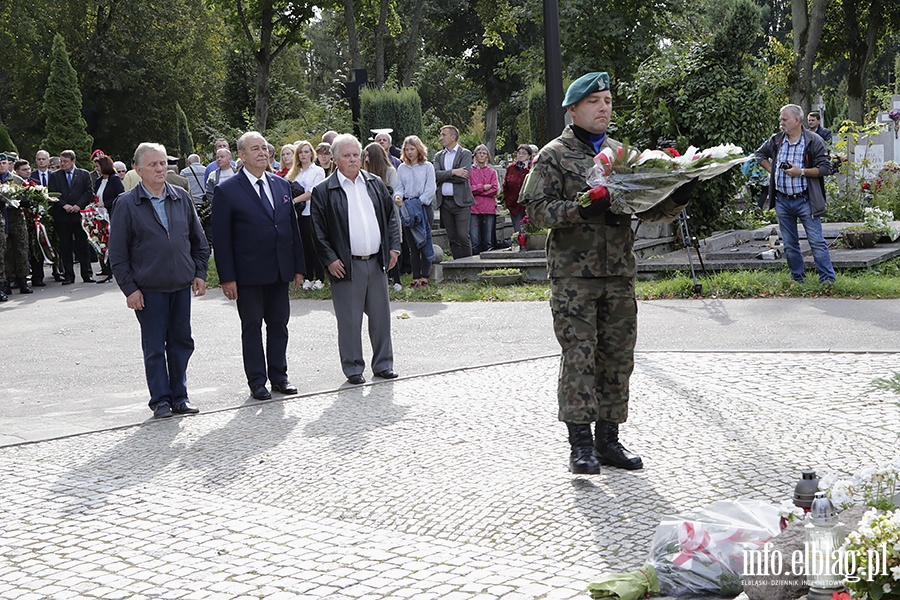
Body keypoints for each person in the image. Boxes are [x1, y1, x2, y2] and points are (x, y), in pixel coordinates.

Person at [520, 71, 694, 475]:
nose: (604, 108)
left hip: (618, 273)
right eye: (595, 101)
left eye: (608, 101)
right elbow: (535, 210)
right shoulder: (553, 155)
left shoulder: (622, 156)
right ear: (573, 109)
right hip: (574, 277)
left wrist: (677, 194)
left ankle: (608, 440)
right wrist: (580, 209)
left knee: (617, 357)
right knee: (580, 357)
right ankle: (580, 444)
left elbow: (647, 209)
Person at [108, 142, 210, 419]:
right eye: (153, 164)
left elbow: (199, 242)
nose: (160, 168)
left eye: (163, 163)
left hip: (179, 285)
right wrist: (130, 289)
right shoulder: (127, 204)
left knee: (182, 342)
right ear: (138, 169)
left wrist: (200, 273)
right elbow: (117, 255)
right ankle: (161, 400)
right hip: (148, 290)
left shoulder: (181, 196)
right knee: (154, 347)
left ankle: (180, 396)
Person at [212, 131, 306, 401]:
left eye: (265, 148)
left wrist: (298, 266)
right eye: (255, 149)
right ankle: (257, 381)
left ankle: (279, 376)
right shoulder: (227, 190)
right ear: (241, 155)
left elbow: (291, 230)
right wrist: (227, 277)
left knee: (279, 324)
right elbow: (222, 238)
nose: (263, 153)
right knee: (252, 326)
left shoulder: (280, 185)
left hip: (279, 270)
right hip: (248, 274)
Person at [310, 133, 401, 385]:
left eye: (355, 155)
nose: (352, 160)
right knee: (350, 320)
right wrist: (329, 259)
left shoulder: (374, 183)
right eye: (346, 156)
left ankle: (383, 364)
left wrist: (394, 248)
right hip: (346, 265)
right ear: (335, 159)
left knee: (381, 317)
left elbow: (391, 218)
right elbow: (317, 231)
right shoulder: (324, 190)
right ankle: (353, 368)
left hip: (376, 261)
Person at [755, 104, 835, 284]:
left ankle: (827, 279)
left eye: (784, 119)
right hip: (782, 200)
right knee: (790, 244)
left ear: (796, 120)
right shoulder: (776, 140)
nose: (780, 122)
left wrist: (801, 172)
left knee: (816, 242)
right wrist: (773, 170)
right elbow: (759, 154)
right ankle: (798, 279)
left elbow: (825, 168)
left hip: (806, 199)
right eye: (780, 119)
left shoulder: (813, 141)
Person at [394, 135, 436, 288]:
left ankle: (425, 277)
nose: (410, 152)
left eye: (412, 149)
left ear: (418, 149)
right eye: (407, 149)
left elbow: (431, 188)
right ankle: (415, 276)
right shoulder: (402, 168)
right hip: (407, 208)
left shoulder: (427, 166)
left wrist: (419, 202)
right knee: (412, 246)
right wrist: (398, 196)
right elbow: (399, 187)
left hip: (423, 206)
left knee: (424, 241)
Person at [48, 150, 96, 285]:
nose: (62, 164)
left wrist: (78, 205)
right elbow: (52, 193)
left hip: (79, 215)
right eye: (61, 161)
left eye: (65, 161)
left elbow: (88, 192)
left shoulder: (84, 174)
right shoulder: (55, 176)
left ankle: (87, 274)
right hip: (63, 216)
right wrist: (64, 205)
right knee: (65, 246)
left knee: (82, 245)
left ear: (73, 161)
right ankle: (68, 275)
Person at [285, 141, 326, 289]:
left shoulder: (318, 171)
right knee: (302, 247)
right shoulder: (293, 172)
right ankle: (308, 276)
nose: (303, 155)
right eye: (301, 152)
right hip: (297, 215)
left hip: (311, 212)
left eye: (306, 152)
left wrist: (293, 201)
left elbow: (312, 192)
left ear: (311, 154)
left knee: (314, 246)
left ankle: (319, 278)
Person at [363, 142, 401, 290]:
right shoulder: (364, 174)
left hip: (388, 212)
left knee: (392, 245)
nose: (365, 160)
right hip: (372, 214)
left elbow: (394, 193)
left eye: (368, 156)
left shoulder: (390, 171)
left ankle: (396, 279)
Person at [433, 125, 475, 258]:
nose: (441, 138)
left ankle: (469, 265)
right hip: (445, 202)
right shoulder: (439, 156)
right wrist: (453, 172)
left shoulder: (465, 153)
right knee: (452, 237)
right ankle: (456, 267)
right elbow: (435, 175)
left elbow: (463, 178)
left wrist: (444, 176)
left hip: (461, 202)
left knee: (463, 235)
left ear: (453, 137)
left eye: (443, 135)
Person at [92, 155, 125, 283]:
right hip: (100, 216)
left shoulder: (114, 179)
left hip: (111, 214)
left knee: (110, 242)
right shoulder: (99, 181)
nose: (97, 169)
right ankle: (105, 268)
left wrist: (105, 203)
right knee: (101, 241)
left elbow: (120, 196)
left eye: (98, 166)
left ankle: (110, 270)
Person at [469, 144, 499, 254]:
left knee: (488, 240)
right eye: (479, 153)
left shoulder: (492, 171)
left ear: (487, 156)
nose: (482, 155)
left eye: (484, 153)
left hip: (488, 209)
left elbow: (495, 189)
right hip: (474, 209)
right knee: (475, 240)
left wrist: (477, 191)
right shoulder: (470, 171)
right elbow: (468, 189)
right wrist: (483, 187)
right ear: (475, 156)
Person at [502, 144, 533, 232]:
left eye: (524, 153)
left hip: (529, 205)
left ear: (529, 155)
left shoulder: (533, 167)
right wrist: (507, 200)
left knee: (530, 230)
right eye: (519, 153)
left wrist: (527, 169)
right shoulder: (511, 168)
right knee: (518, 230)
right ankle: (519, 245)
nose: (521, 155)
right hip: (514, 204)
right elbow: (505, 186)